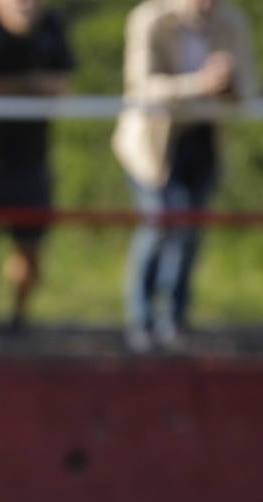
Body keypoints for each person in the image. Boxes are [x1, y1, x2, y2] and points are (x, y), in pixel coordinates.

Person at [112, 0, 257, 353]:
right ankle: (142, 319)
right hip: (153, 143)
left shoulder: (230, 21)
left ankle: (174, 319)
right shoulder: (150, 20)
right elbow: (140, 86)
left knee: (191, 232)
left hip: (203, 139)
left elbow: (248, 90)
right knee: (161, 224)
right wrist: (199, 85)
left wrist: (229, 82)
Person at [0, 0, 75, 353]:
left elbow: (63, 84)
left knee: (31, 246)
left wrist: (19, 87)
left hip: (33, 155)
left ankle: (18, 320)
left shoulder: (51, 25)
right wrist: (34, 85)